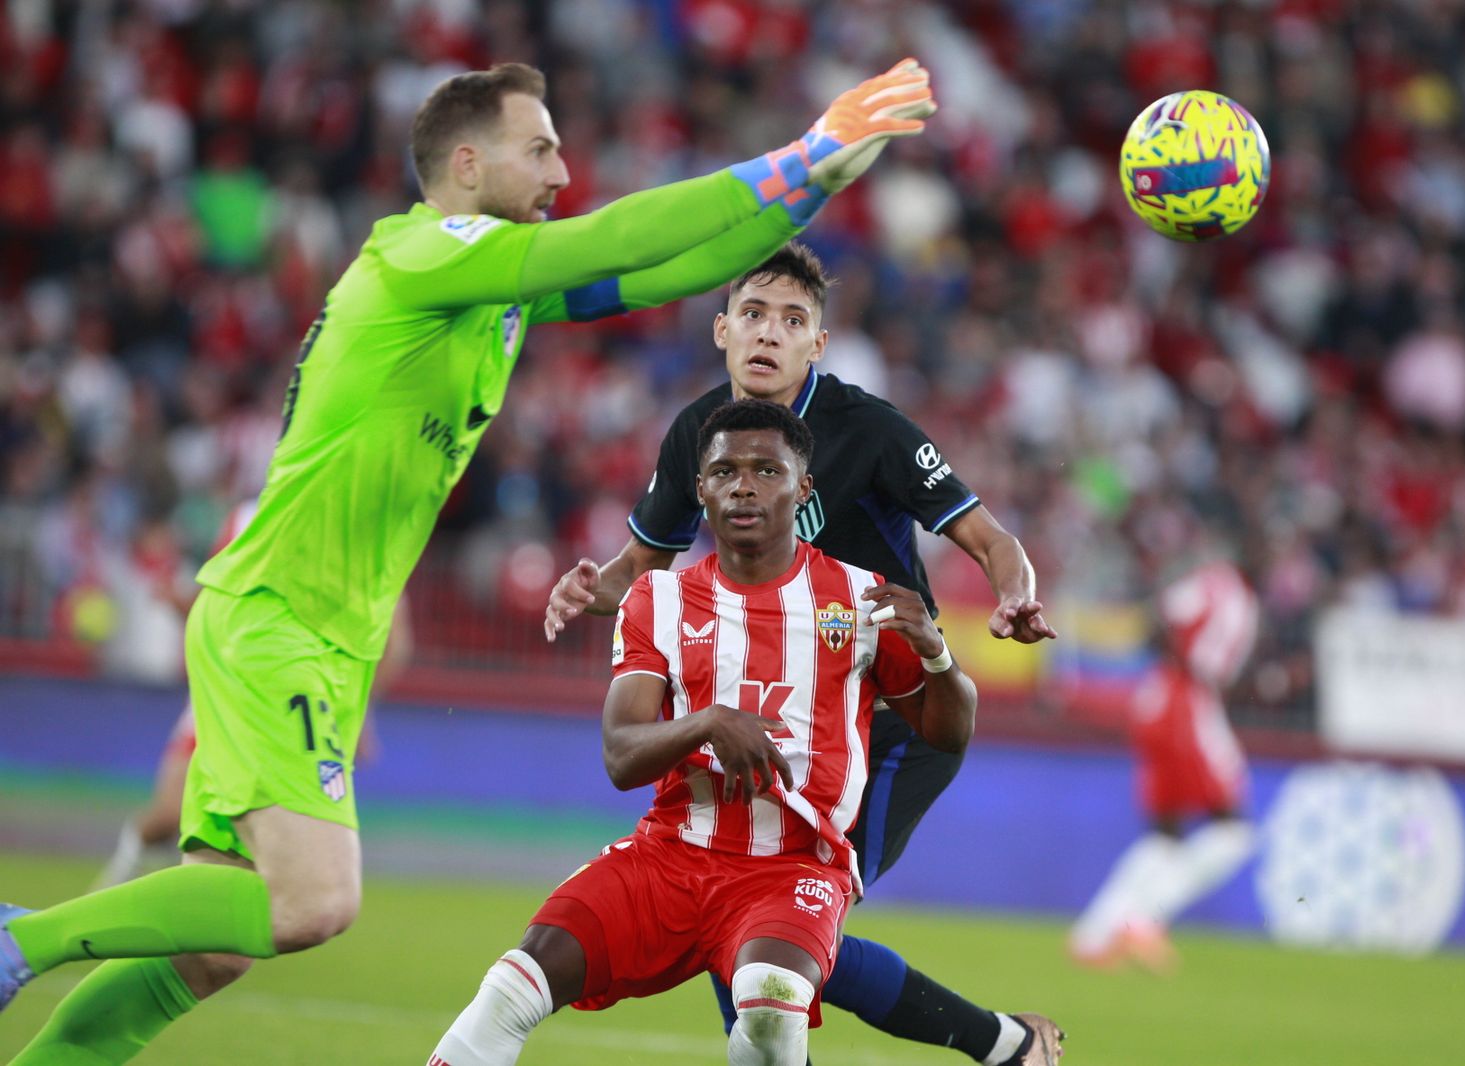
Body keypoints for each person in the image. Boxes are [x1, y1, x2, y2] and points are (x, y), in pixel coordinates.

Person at [0, 57, 938, 1060]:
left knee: (218, 939)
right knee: (313, 898)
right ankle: (23, 937)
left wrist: (816, 188)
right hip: (281, 613)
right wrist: (796, 151)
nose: (561, 169)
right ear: (463, 162)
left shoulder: (490, 292)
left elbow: (665, 270)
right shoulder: (424, 254)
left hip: (325, 631)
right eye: (537, 148)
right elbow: (610, 235)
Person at [544, 243, 1063, 1064]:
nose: (768, 335)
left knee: (778, 915)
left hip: (895, 722)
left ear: (817, 345)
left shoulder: (872, 430)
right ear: (721, 330)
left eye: (792, 322)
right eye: (753, 314)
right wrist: (594, 587)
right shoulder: (700, 435)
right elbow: (645, 559)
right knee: (759, 919)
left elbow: (989, 535)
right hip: (786, 722)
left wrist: (1013, 593)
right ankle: (1006, 1047)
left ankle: (1000, 1046)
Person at [430, 399, 979, 1066]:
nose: (743, 486)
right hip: (669, 857)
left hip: (792, 867)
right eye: (724, 471)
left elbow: (948, 733)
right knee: (510, 987)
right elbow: (620, 755)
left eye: (766, 470)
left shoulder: (863, 601)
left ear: (803, 488)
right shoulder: (654, 600)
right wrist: (707, 723)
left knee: (772, 1006)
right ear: (700, 489)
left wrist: (936, 654)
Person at [93, 500, 412, 890]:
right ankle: (124, 875)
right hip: (229, 688)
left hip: (298, 701)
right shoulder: (250, 518)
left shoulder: (359, 528)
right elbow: (216, 605)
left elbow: (396, 638)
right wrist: (182, 605)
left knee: (271, 846)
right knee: (171, 814)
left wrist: (360, 710)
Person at [1069, 561, 1260, 972]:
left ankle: (1094, 934)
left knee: (1164, 835)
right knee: (1234, 828)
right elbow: (1210, 664)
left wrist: (1168, 655)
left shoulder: (1204, 582)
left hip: (1156, 696)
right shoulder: (1232, 594)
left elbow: (1160, 613)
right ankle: (1143, 919)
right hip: (1188, 705)